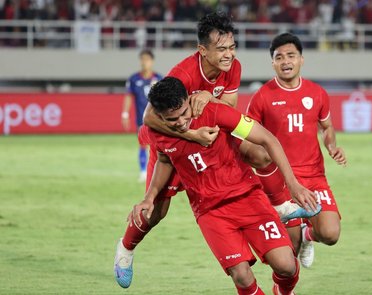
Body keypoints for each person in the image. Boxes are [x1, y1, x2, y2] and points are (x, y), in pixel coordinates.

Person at [114, 12, 320, 289]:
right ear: (202, 50)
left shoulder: (233, 67)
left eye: (232, 47)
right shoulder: (183, 75)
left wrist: (210, 98)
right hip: (178, 145)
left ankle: (280, 203)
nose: (229, 55)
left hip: (212, 135)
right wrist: (191, 134)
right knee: (156, 212)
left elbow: (230, 105)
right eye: (221, 49)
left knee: (260, 153)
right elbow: (151, 120)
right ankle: (126, 249)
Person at [132, 77, 316, 294]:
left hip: (248, 197)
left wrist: (293, 185)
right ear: (160, 117)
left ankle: (283, 290)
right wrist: (149, 196)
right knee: (242, 276)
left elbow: (268, 139)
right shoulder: (159, 132)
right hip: (211, 212)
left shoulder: (217, 113)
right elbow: (164, 160)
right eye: (172, 119)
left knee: (286, 265)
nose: (182, 122)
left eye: (184, 113)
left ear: (188, 100)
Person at [246, 33, 347, 268]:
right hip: (281, 180)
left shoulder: (317, 93)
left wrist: (332, 146)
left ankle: (308, 235)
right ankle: (283, 286)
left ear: (301, 59)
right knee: (289, 253)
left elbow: (327, 127)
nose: (285, 61)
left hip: (314, 177)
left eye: (291, 55)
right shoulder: (261, 97)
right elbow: (248, 138)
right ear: (273, 63)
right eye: (279, 57)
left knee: (331, 234)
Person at [122, 49, 162, 182]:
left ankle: (159, 172)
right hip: (142, 118)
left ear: (152, 61)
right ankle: (143, 172)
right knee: (143, 144)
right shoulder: (134, 79)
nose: (145, 62)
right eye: (142, 59)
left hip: (158, 119)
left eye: (147, 59)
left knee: (159, 146)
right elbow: (128, 96)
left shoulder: (159, 79)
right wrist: (125, 114)